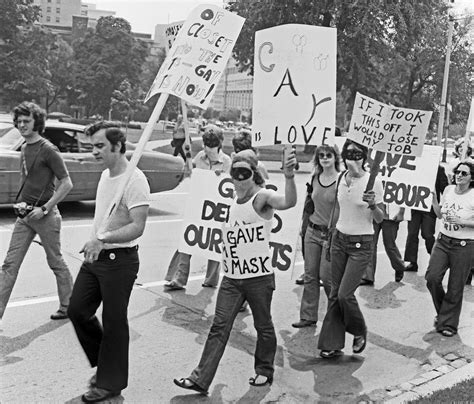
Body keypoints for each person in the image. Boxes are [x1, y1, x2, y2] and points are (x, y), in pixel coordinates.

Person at [173, 148, 297, 394]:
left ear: (254, 174)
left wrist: (290, 177)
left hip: (258, 278)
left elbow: (288, 202)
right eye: (235, 173)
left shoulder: (262, 198)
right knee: (219, 326)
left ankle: (264, 370)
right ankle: (200, 379)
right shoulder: (231, 202)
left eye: (244, 173)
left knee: (263, 325)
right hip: (232, 278)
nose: (239, 179)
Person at [67, 121, 150, 402]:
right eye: (92, 146)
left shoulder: (135, 180)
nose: (94, 152)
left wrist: (103, 240)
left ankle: (110, 383)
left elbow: (138, 226)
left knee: (114, 322)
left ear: (117, 146)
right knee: (77, 309)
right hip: (95, 257)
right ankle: (106, 364)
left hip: (120, 260)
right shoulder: (106, 175)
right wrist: (96, 243)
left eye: (100, 146)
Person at [0, 101, 74, 322]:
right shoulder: (24, 147)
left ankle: (69, 306)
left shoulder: (48, 150)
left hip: (46, 217)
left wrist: (44, 208)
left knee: (56, 262)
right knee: (9, 265)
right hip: (25, 217)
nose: (21, 125)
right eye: (19, 121)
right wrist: (22, 203)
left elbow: (67, 183)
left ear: (37, 123)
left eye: (26, 121)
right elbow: (28, 180)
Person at [318, 139, 384, 358]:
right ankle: (331, 343)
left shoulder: (373, 181)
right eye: (348, 153)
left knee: (346, 295)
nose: (351, 158)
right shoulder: (340, 178)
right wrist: (330, 234)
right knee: (335, 294)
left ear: (365, 157)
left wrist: (373, 204)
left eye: (357, 154)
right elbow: (338, 208)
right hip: (339, 239)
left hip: (361, 244)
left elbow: (381, 218)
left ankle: (358, 330)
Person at [164, 125, 231, 291]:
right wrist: (188, 164)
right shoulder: (200, 157)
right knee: (188, 240)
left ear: (220, 144)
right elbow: (189, 173)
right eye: (206, 145)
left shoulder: (227, 162)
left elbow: (229, 187)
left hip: (215, 210)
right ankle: (179, 278)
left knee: (214, 243)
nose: (208, 149)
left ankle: (211, 279)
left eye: (212, 146)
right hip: (197, 206)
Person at [292, 144, 341, 328]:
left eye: (329, 155)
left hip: (331, 234)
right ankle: (308, 316)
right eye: (322, 155)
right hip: (312, 231)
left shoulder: (341, 180)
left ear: (336, 157)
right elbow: (308, 203)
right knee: (310, 275)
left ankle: (335, 316)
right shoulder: (314, 178)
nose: (325, 158)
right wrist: (303, 226)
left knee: (326, 277)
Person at [425, 161, 474, 337]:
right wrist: (434, 201)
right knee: (432, 278)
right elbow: (440, 215)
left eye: (464, 173)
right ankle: (444, 313)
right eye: (457, 172)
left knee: (455, 286)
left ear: (471, 177)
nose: (459, 175)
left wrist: (462, 222)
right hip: (443, 241)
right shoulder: (448, 190)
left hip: (464, 245)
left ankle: (449, 325)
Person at [404, 165, 448, 272]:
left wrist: (443, 203)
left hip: (430, 207)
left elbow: (445, 189)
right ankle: (412, 262)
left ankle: (435, 258)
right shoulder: (414, 165)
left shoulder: (439, 169)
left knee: (427, 234)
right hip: (415, 205)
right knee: (412, 234)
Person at [361, 202, 406, 285]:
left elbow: (403, 193)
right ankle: (368, 276)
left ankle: (399, 266)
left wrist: (401, 212)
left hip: (391, 216)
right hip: (374, 214)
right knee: (370, 244)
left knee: (389, 245)